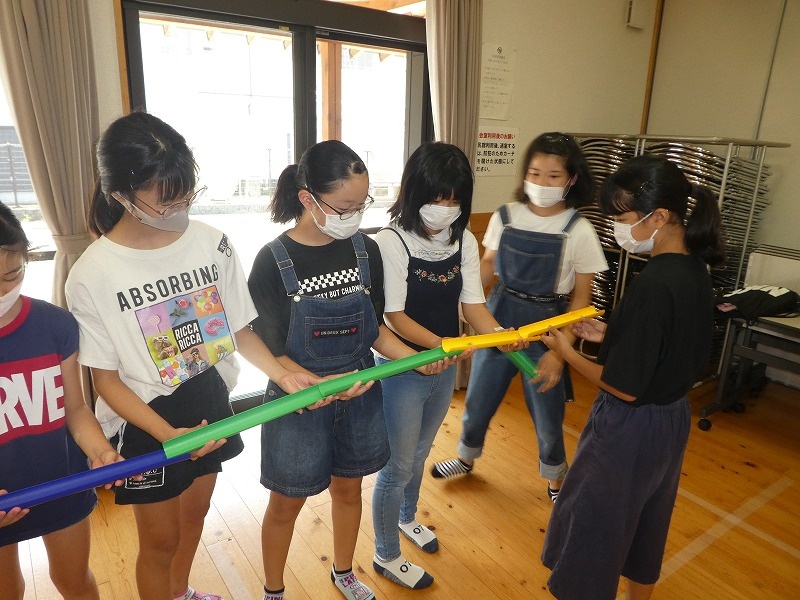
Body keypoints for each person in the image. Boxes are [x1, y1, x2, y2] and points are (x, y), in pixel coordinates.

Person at [65, 112, 319, 600]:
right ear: (120, 195)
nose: (180, 208)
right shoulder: (92, 274)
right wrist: (169, 437)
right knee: (160, 542)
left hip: (209, 400)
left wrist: (283, 375)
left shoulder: (211, 243)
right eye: (166, 201)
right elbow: (106, 382)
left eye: (186, 195)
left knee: (195, 516)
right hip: (148, 422)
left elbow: (238, 331)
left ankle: (180, 592)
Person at [247, 140, 454, 600]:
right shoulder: (272, 260)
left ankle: (343, 573)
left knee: (348, 491)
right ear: (308, 199)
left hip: (359, 396)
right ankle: (273, 591)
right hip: (299, 399)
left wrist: (414, 359)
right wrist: (315, 383)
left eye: (362, 206)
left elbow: (375, 330)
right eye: (344, 207)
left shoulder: (366, 251)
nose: (355, 216)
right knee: (285, 504)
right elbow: (269, 347)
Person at [539, 154, 725, 600]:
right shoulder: (693, 269)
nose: (617, 229)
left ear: (659, 217)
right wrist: (610, 334)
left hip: (629, 427)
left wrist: (566, 351)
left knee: (594, 524)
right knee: (647, 520)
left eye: (622, 220)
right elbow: (667, 346)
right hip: (671, 419)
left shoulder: (655, 282)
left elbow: (623, 386)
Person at [370, 141, 522, 589]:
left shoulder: (464, 240)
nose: (447, 209)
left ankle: (406, 518)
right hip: (402, 367)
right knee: (397, 465)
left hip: (444, 361)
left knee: (420, 453)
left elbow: (474, 306)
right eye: (439, 198)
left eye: (456, 200)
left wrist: (501, 336)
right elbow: (394, 316)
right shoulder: (390, 241)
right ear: (415, 192)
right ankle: (385, 554)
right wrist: (444, 346)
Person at [430, 132, 608, 501]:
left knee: (547, 412)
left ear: (572, 179)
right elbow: (488, 264)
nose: (542, 182)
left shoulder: (579, 229)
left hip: (548, 325)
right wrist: (464, 305)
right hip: (499, 313)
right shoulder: (506, 215)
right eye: (535, 173)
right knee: (478, 398)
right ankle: (465, 457)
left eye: (554, 176)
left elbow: (581, 299)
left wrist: (560, 353)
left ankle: (556, 479)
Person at [0, 201, 127, 599]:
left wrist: (101, 451)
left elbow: (75, 408)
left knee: (74, 581)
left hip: (60, 481)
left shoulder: (54, 324)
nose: (2, 292)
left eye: (11, 275)